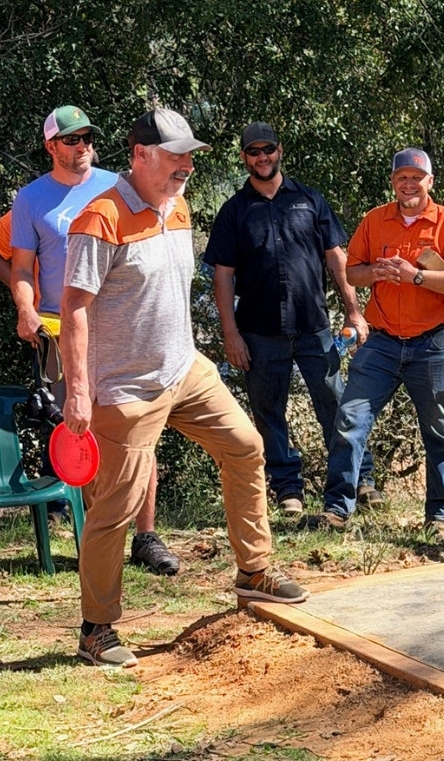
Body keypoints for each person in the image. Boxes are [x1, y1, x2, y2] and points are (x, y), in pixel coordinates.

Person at [61, 108, 309, 668]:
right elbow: (73, 308)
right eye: (176, 155)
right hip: (125, 387)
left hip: (184, 369)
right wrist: (78, 389)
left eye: (190, 156)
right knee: (115, 509)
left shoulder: (178, 207)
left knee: (246, 446)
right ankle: (96, 629)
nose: (187, 166)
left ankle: (253, 571)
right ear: (140, 155)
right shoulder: (98, 219)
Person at [11, 106, 176, 574]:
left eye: (87, 137)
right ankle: (96, 541)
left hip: (124, 329)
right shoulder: (30, 199)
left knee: (139, 436)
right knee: (81, 434)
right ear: (51, 147)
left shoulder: (118, 186)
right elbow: (20, 268)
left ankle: (146, 537)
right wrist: (26, 310)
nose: (81, 145)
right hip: (62, 334)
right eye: (71, 139)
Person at [204, 121, 378, 515]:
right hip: (259, 333)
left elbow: (337, 260)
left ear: (280, 150)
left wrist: (354, 311)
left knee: (336, 404)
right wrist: (230, 334)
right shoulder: (234, 211)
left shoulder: (310, 200)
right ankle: (288, 491)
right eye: (253, 151)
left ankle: (358, 480)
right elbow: (223, 276)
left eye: (268, 149)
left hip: (314, 328)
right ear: (244, 157)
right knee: (269, 414)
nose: (262, 157)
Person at [308, 149, 444, 542]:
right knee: (350, 419)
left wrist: (416, 277)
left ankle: (439, 517)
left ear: (429, 182)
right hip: (381, 342)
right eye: (402, 177)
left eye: (416, 177)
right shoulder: (374, 220)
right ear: (393, 182)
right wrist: (375, 271)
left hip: (431, 344)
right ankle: (336, 510)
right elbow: (352, 272)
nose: (409, 184)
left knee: (437, 430)